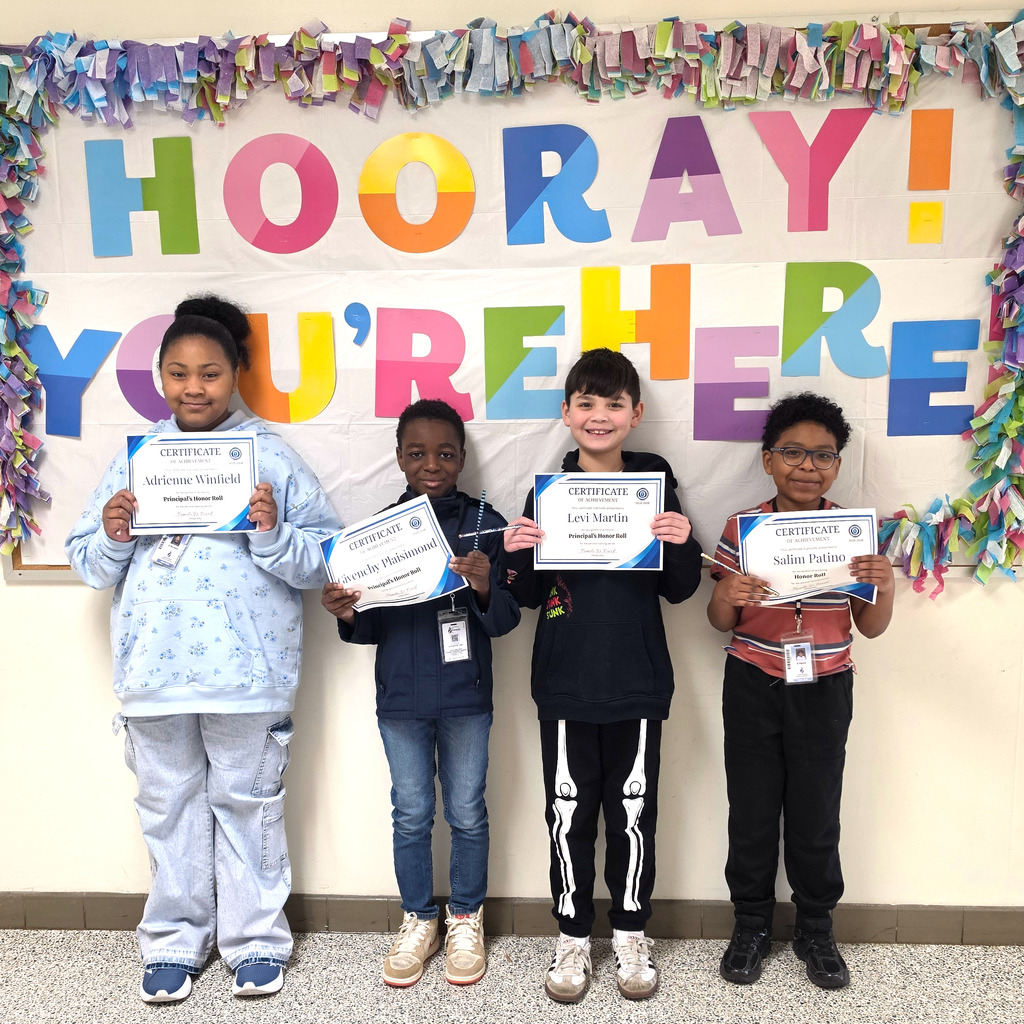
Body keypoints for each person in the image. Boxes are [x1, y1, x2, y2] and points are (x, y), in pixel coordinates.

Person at [66, 295, 341, 1004]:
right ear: (160, 377)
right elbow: (90, 566)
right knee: (168, 807)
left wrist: (273, 532)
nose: (195, 387)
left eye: (211, 373)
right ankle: (177, 940)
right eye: (180, 373)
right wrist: (113, 533)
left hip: (248, 677)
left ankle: (255, 941)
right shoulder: (139, 460)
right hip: (155, 677)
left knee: (249, 806)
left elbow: (327, 562)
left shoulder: (271, 458)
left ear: (236, 375)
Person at [499, 349, 703, 1003]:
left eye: (613, 403)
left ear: (635, 415)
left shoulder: (657, 489)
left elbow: (679, 589)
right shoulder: (545, 494)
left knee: (633, 813)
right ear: (566, 413)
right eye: (586, 403)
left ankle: (630, 933)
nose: (599, 415)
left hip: (639, 684)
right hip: (564, 686)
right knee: (567, 815)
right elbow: (528, 596)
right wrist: (517, 551)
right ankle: (572, 935)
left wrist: (681, 539)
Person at [321, 399, 520, 988]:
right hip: (402, 699)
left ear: (461, 456)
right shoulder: (377, 534)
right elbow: (372, 628)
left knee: (466, 812)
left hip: (466, 696)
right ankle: (417, 919)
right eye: (417, 453)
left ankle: (465, 916)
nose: (431, 463)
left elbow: (506, 621)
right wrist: (349, 613)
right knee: (410, 814)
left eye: (445, 452)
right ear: (399, 458)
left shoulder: (489, 522)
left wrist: (485, 585)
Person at [707, 392, 894, 990]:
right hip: (754, 681)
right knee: (754, 809)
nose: (807, 466)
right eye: (792, 452)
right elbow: (719, 622)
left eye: (823, 456)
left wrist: (883, 587)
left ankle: (816, 926)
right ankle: (751, 924)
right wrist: (728, 596)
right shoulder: (743, 528)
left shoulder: (854, 534)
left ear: (837, 466)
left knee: (817, 814)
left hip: (826, 685)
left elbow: (870, 626)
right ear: (768, 460)